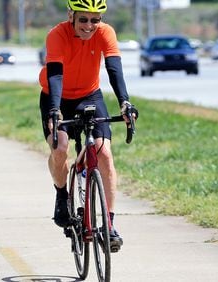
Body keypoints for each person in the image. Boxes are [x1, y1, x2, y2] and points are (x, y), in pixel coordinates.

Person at [39, 0, 138, 253]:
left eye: (95, 20)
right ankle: (62, 196)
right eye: (84, 19)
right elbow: (56, 74)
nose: (90, 26)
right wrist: (54, 109)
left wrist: (124, 102)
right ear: (71, 15)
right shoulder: (57, 35)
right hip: (57, 96)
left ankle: (110, 225)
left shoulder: (105, 32)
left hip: (90, 95)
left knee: (104, 153)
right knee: (60, 147)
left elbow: (114, 69)